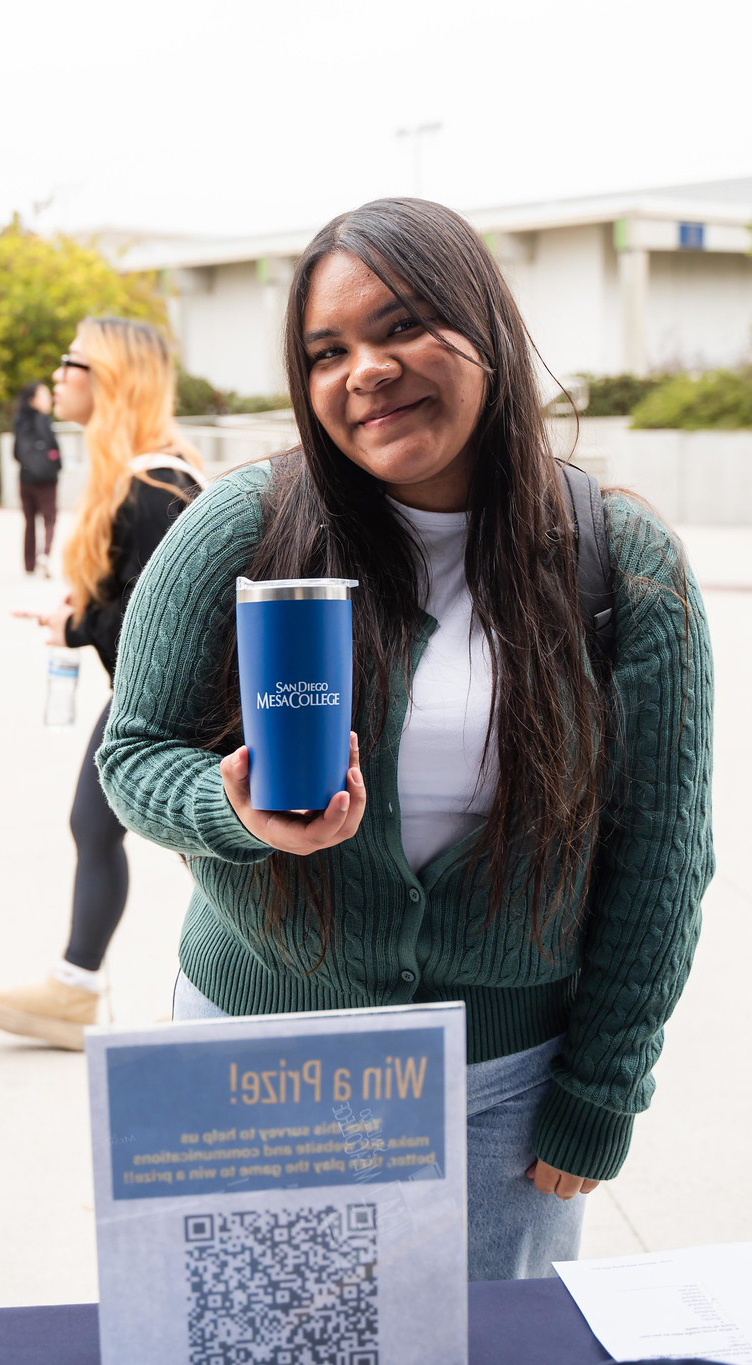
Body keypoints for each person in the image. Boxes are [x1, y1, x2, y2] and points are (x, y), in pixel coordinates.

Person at [95, 200, 714, 1281]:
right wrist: (231, 813)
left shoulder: (623, 565)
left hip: (496, 1100)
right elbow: (132, 755)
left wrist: (600, 1089)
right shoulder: (239, 527)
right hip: (251, 1074)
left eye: (401, 326)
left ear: (486, 328)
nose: (364, 371)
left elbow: (657, 855)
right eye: (325, 351)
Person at [0, 317, 204, 1050]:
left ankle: (91, 989)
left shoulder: (156, 486)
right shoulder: (143, 475)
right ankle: (77, 985)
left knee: (200, 850)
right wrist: (79, 613)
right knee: (106, 826)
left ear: (110, 377)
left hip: (174, 706)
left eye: (70, 360)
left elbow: (167, 630)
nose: (57, 374)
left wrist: (79, 627)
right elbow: (139, 600)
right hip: (155, 699)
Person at [13, 381, 61, 575]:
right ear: (33, 400)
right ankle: (45, 555)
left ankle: (29, 564)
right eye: (44, 395)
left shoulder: (19, 422)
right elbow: (53, 448)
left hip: (25, 479)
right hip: (46, 479)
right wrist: (55, 464)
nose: (48, 399)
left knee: (29, 521)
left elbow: (16, 453)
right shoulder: (42, 420)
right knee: (49, 518)